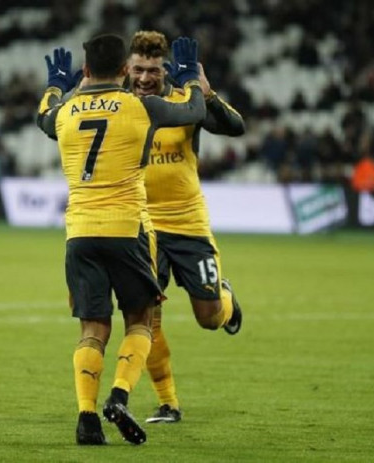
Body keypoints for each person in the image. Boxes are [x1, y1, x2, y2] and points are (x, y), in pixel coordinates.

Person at [36, 34, 206, 445]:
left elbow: (43, 116)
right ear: (126, 71)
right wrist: (188, 77)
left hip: (79, 233)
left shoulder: (64, 113)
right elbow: (194, 110)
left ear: (87, 69)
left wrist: (57, 84)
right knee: (141, 321)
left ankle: (87, 418)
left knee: (92, 329)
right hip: (127, 229)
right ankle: (119, 394)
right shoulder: (141, 106)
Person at [127, 30, 245, 423]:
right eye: (139, 69)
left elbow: (234, 127)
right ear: (127, 68)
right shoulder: (120, 104)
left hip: (189, 224)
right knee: (145, 318)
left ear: (166, 71)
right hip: (143, 229)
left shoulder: (186, 100)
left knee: (209, 317)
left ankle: (225, 300)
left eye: (153, 70)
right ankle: (168, 402)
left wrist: (207, 93)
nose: (145, 77)